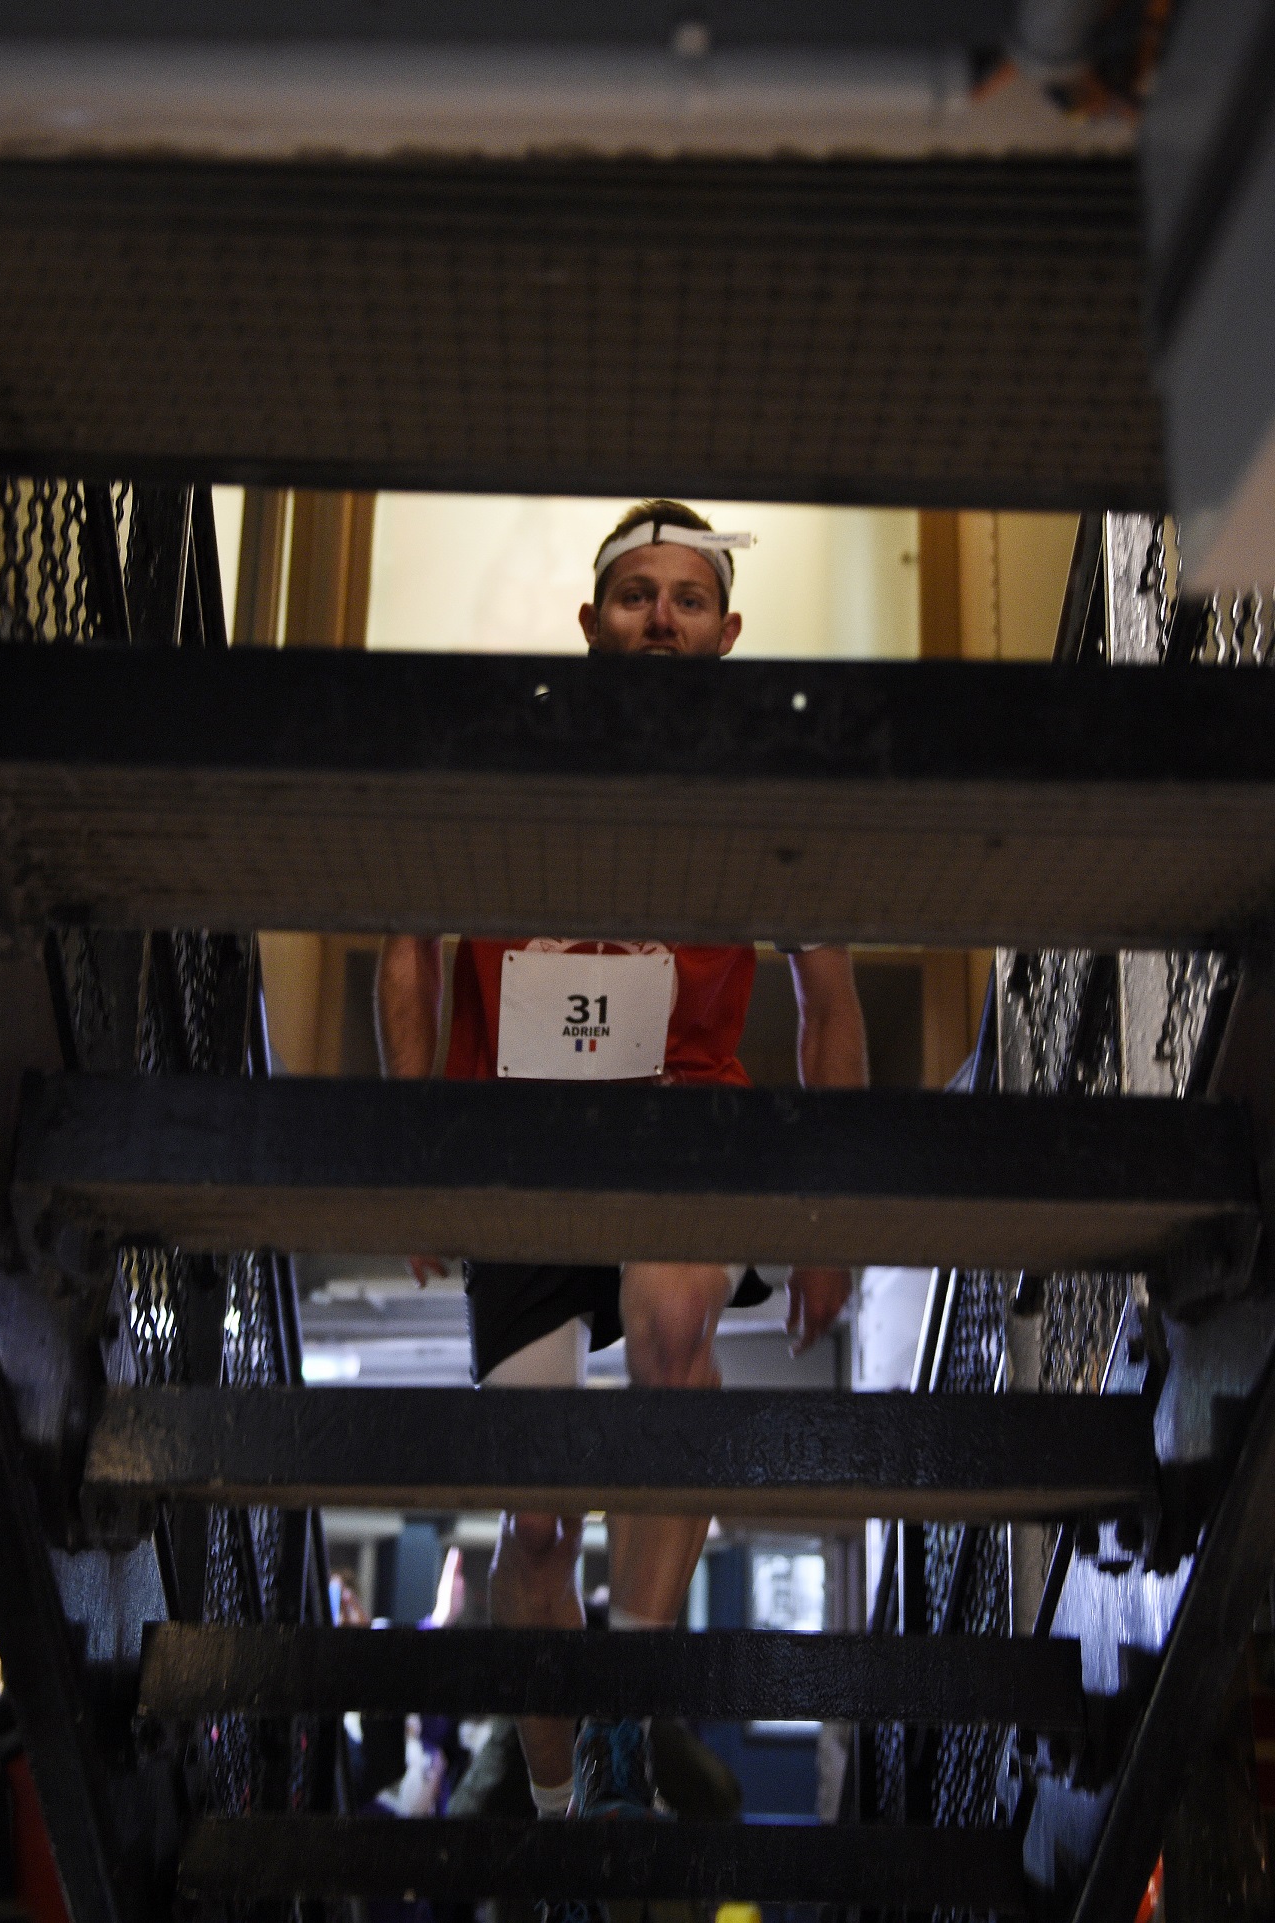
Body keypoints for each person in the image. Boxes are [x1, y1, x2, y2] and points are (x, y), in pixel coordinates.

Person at [375, 500, 869, 1828]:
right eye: (638, 595)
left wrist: (829, 1219)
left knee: (673, 1327)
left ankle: (633, 1704)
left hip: (680, 1118)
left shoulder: (768, 785)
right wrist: (421, 1151)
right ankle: (557, 1802)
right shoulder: (505, 758)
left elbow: (830, 997)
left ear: (728, 630)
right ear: (591, 621)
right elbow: (411, 945)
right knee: (537, 1518)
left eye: (689, 597)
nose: (662, 615)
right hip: (520, 1137)